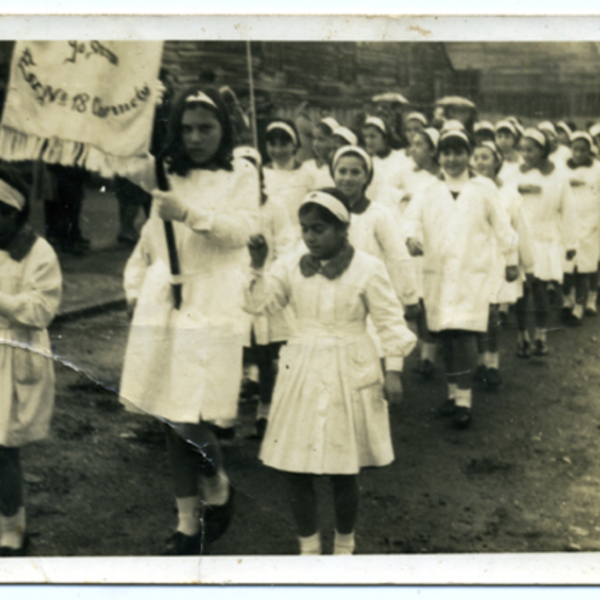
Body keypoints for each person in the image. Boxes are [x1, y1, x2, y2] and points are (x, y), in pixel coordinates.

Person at [119, 87, 259, 555]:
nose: (195, 137)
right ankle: (185, 523)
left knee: (192, 417)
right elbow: (117, 155)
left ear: (224, 130)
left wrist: (190, 214)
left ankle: (218, 486)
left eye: (206, 128)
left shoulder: (241, 172)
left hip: (212, 297)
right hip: (167, 298)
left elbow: (240, 231)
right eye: (186, 128)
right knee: (166, 414)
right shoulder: (163, 169)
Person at [246, 188, 417, 555]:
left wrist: (394, 370)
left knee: (344, 465)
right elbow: (259, 303)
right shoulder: (290, 264)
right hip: (303, 366)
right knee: (296, 465)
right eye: (305, 228)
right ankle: (308, 547)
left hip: (350, 367)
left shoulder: (369, 268)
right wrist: (257, 265)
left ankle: (344, 545)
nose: (310, 236)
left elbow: (390, 321)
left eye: (320, 229)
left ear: (343, 229)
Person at [405, 129, 518, 429]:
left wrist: (512, 260)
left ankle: (464, 401)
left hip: (473, 275)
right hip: (438, 276)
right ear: (438, 156)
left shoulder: (483, 188)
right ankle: (453, 394)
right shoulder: (427, 189)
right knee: (447, 336)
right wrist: (412, 239)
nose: (452, 159)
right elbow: (412, 220)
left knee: (464, 335)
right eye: (446, 152)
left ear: (469, 155)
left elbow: (503, 227)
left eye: (459, 152)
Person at [0, 165, 62, 555]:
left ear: (14, 212)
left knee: (4, 449)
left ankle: (13, 530)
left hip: (15, 356)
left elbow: (42, 308)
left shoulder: (37, 252)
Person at [236, 146, 296, 439]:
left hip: (268, 283)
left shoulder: (274, 207)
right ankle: (224, 416)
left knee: (266, 357)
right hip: (237, 288)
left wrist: (269, 261)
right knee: (234, 353)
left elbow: (287, 243)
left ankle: (266, 412)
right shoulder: (229, 208)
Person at [472, 141, 535, 388]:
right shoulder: (470, 190)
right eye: (476, 157)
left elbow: (518, 229)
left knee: (493, 313)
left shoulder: (509, 194)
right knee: (478, 312)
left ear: (497, 161)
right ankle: (480, 361)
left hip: (499, 259)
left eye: (485, 157)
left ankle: (493, 364)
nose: (480, 162)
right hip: (475, 259)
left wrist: (519, 263)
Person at [331, 145, 420, 319]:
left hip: (370, 300)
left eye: (355, 172)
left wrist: (410, 297)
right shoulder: (325, 212)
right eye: (342, 171)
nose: (348, 178)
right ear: (333, 174)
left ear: (366, 177)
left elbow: (398, 256)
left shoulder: (378, 214)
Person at [514, 128, 576, 357]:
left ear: (542, 150)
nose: (525, 155)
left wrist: (571, 244)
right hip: (519, 239)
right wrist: (519, 188)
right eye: (522, 150)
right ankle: (522, 337)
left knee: (540, 290)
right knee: (520, 291)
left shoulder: (558, 176)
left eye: (530, 150)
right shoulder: (515, 174)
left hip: (545, 239)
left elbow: (568, 210)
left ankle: (540, 336)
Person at [398, 128, 441, 378]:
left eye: (419, 145)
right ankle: (427, 356)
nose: (412, 149)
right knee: (424, 300)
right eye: (411, 144)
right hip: (420, 244)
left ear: (433, 151)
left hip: (444, 244)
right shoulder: (410, 175)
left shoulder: (443, 179)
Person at [561, 131, 600, 323]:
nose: (578, 154)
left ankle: (579, 307)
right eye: (575, 149)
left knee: (583, 268)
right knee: (567, 267)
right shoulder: (562, 168)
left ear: (589, 150)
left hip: (590, 224)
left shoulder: (597, 169)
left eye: (582, 150)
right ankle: (567, 300)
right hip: (567, 223)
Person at [263, 119, 314, 233]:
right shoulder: (261, 175)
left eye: (283, 144)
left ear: (294, 145)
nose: (278, 150)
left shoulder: (308, 174)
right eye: (273, 144)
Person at [362, 115, 411, 209]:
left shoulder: (402, 158)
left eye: (372, 136)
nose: (368, 141)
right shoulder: (367, 163)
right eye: (365, 137)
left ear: (384, 137)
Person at [301, 117, 339, 189]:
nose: (315, 143)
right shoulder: (306, 166)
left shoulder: (337, 170)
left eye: (321, 139)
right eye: (314, 138)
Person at [495, 119, 522, 185]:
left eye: (507, 137)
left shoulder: (521, 158)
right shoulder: (493, 157)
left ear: (514, 140)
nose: (503, 140)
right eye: (499, 136)